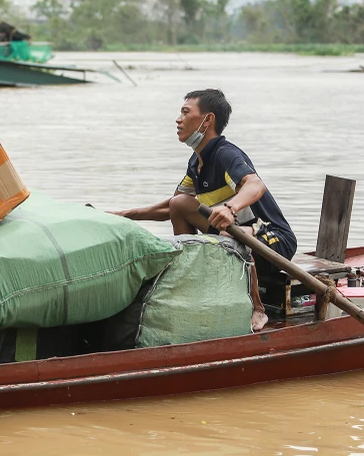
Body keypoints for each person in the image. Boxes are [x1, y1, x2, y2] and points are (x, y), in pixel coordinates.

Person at [113, 89, 297, 330]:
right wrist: (124, 215)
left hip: (272, 241)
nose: (178, 119)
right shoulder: (197, 162)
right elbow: (172, 206)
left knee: (230, 233)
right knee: (180, 204)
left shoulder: (225, 154)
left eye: (185, 112)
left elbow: (255, 185)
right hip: (231, 233)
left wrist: (230, 208)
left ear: (207, 120)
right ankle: (187, 276)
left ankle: (257, 308)